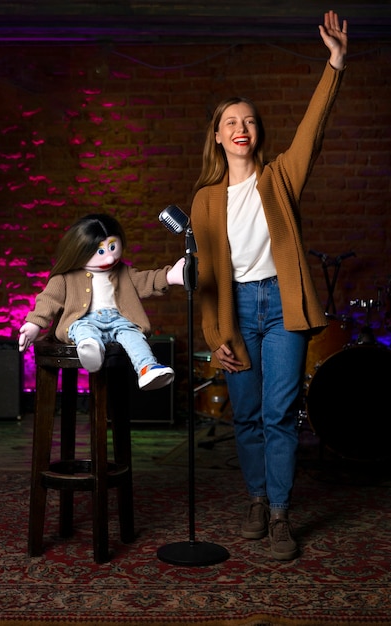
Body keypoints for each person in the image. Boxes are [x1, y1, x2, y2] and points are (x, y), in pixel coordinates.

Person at [190, 11, 347, 560]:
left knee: (280, 415)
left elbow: (313, 128)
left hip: (283, 308)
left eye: (251, 120)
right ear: (218, 135)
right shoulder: (206, 200)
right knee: (248, 415)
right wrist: (216, 338)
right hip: (236, 314)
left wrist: (334, 63)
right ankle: (255, 498)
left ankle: (280, 515)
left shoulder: (280, 177)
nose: (242, 127)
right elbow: (209, 276)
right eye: (232, 120)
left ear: (258, 134)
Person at [19, 213, 185, 391]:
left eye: (112, 247)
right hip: (83, 320)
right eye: (100, 251)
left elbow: (145, 280)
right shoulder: (65, 278)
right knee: (82, 329)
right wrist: (34, 323)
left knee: (134, 336)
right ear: (80, 250)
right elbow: (48, 299)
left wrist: (169, 276)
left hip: (119, 321)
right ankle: (91, 349)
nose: (109, 258)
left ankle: (147, 368)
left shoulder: (123, 272)